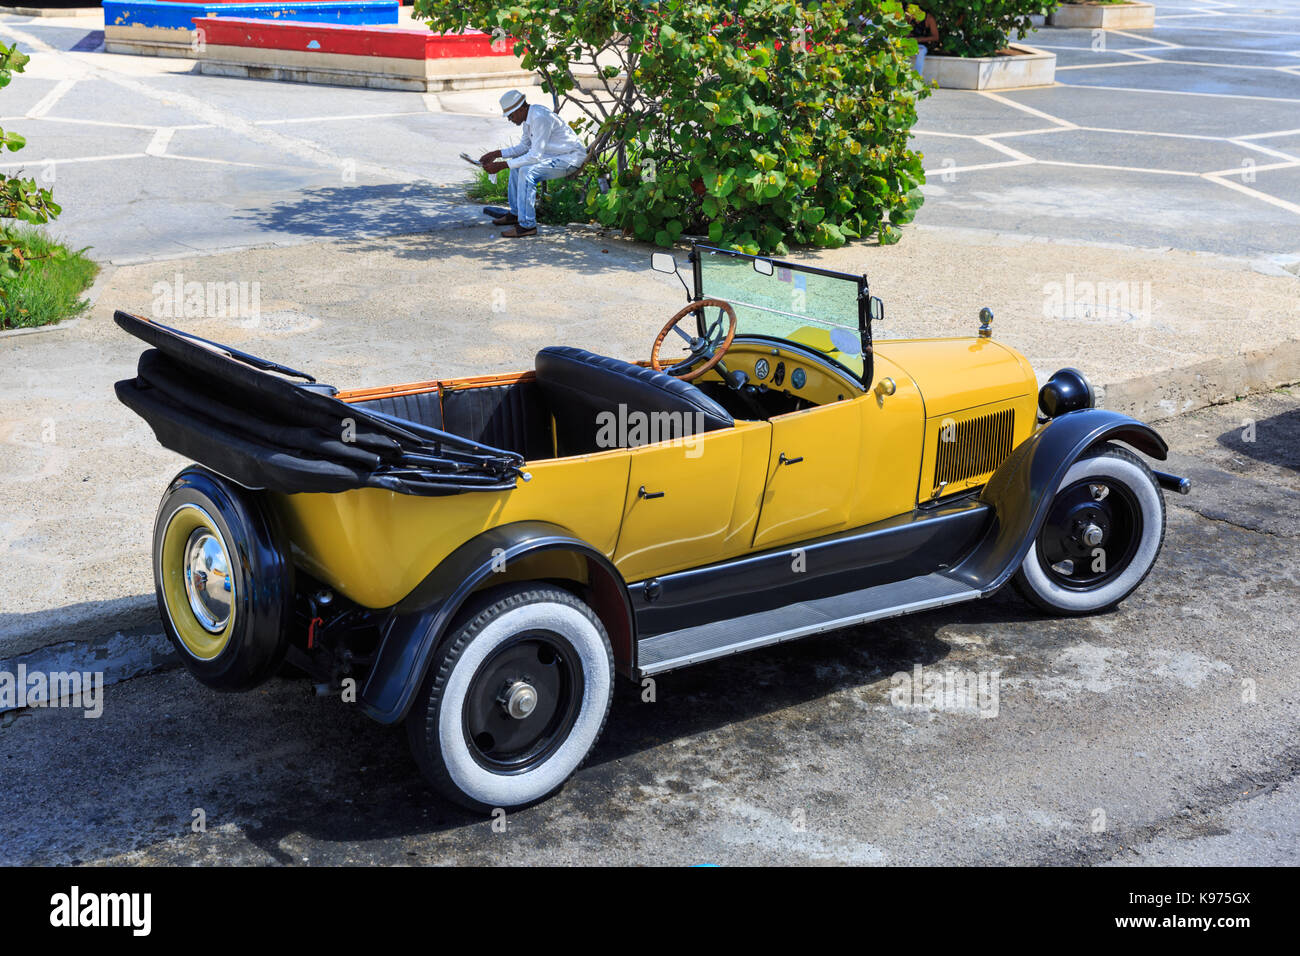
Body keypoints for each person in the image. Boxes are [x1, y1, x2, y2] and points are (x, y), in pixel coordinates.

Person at [479, 90, 587, 239]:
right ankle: (516, 214)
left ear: (521, 109)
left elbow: (535, 156)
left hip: (570, 158)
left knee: (526, 172)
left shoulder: (539, 117)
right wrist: (495, 154)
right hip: (555, 156)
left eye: (511, 115)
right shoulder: (529, 119)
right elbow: (523, 147)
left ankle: (527, 225)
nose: (510, 119)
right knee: (518, 169)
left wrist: (502, 165)